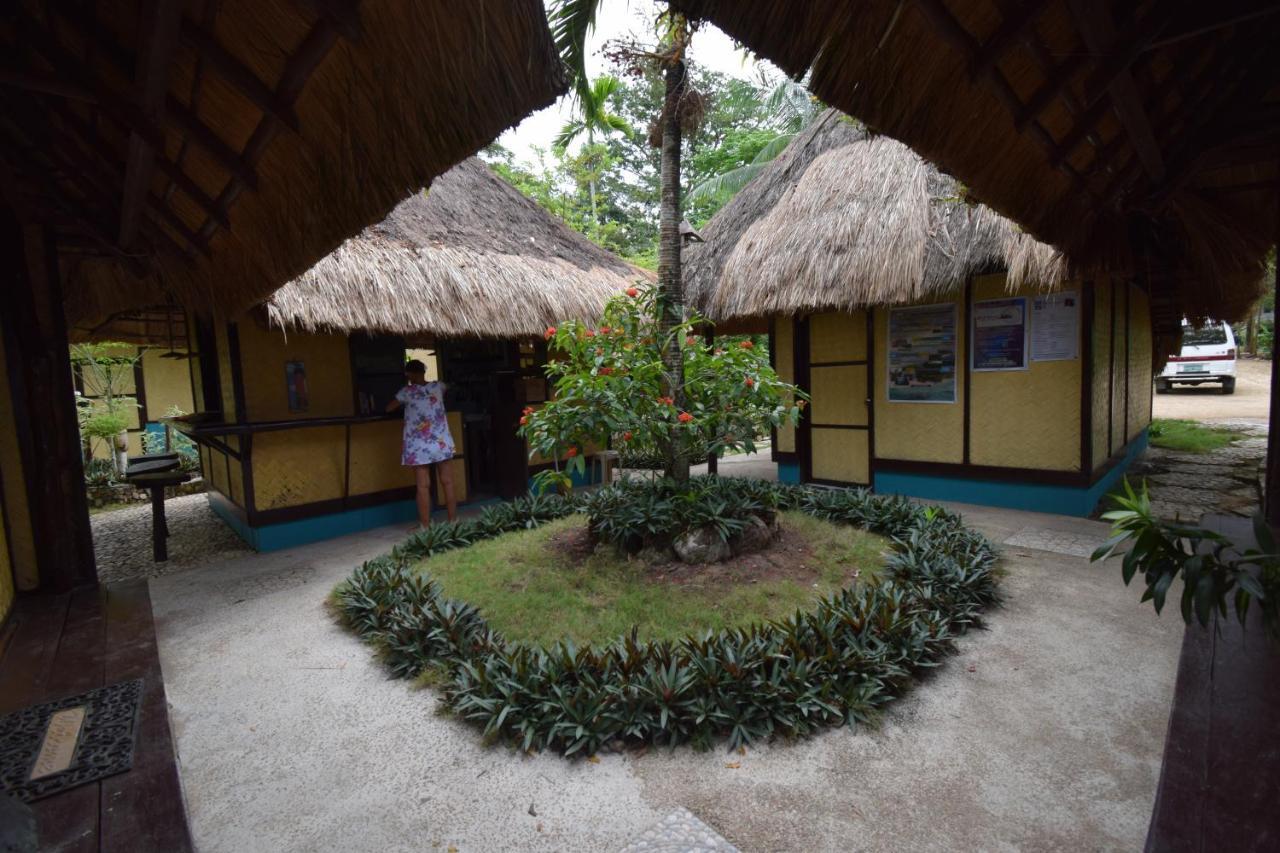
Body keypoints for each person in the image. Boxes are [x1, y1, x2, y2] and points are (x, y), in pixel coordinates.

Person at [386, 360, 457, 528]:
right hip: (441, 441)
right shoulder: (438, 387)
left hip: (419, 445)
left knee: (423, 486)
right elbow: (448, 387)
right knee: (447, 481)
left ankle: (425, 526)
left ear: (411, 374)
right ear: (423, 372)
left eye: (408, 374)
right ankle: (453, 521)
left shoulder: (406, 392)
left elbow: (389, 408)